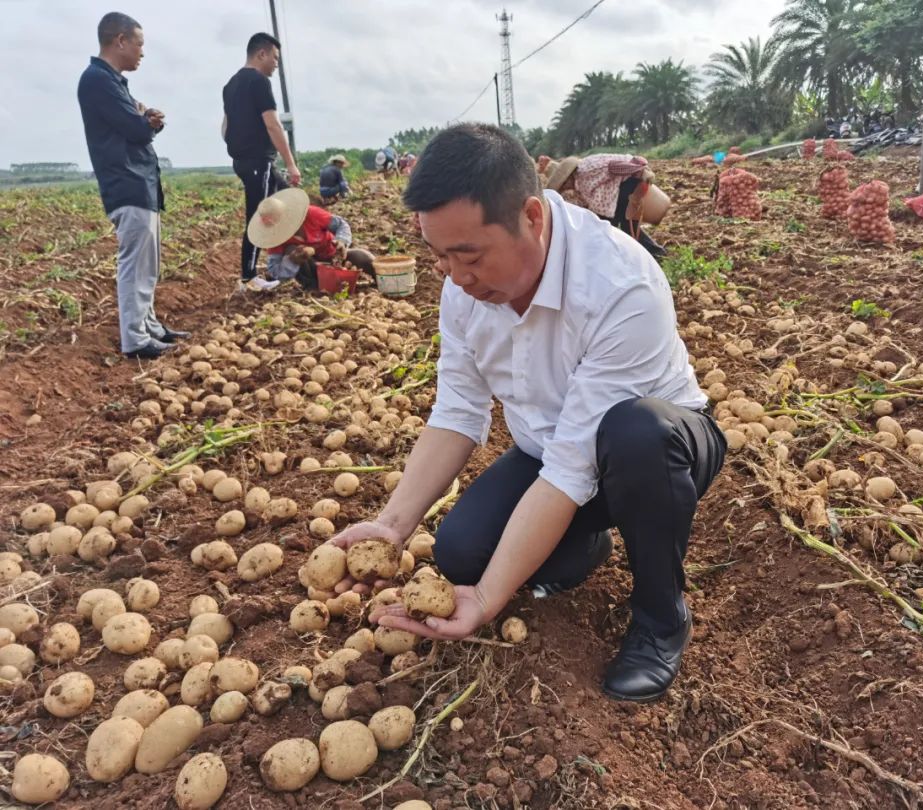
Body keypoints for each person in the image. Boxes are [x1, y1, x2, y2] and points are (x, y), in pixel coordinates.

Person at [330, 124, 726, 702]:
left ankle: (661, 619)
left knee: (636, 434)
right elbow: (459, 412)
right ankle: (586, 544)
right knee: (460, 554)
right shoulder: (462, 287)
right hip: (549, 451)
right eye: (439, 256)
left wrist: (489, 601)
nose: (457, 277)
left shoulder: (619, 284)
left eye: (469, 256)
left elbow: (574, 465)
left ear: (533, 219)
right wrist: (392, 526)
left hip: (661, 447)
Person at [77, 12, 188, 360]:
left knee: (147, 265)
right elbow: (137, 130)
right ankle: (136, 339)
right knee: (135, 264)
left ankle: (149, 326)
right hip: (127, 181)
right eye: (139, 44)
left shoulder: (112, 81)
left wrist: (143, 119)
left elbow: (136, 125)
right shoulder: (97, 80)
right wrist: (145, 121)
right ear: (120, 40)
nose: (142, 52)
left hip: (140, 182)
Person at [222, 32, 301, 291]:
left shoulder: (230, 84)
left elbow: (225, 127)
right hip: (257, 160)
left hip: (245, 160)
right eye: (275, 58)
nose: (276, 64)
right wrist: (290, 163)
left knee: (282, 198)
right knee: (258, 217)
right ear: (261, 54)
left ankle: (285, 257)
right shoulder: (258, 81)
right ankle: (249, 277)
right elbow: (273, 124)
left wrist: (237, 148)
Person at [544, 153, 668, 259]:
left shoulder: (586, 169)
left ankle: (655, 253)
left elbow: (613, 166)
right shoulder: (579, 185)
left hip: (628, 184)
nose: (565, 189)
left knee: (627, 225)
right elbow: (588, 205)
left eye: (563, 185)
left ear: (567, 178)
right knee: (615, 227)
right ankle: (644, 253)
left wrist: (639, 170)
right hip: (615, 197)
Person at [247, 188, 374, 284]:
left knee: (363, 257)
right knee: (293, 250)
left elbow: (341, 224)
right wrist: (291, 260)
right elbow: (274, 272)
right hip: (311, 270)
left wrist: (341, 241)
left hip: (333, 256)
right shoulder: (275, 238)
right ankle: (314, 286)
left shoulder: (311, 213)